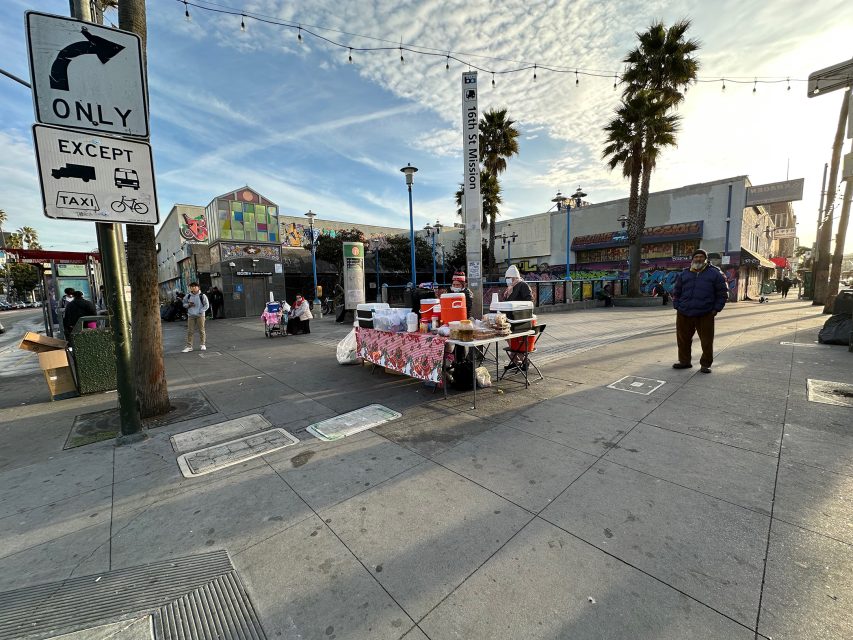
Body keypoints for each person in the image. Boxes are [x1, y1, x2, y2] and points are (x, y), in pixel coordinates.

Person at [671, 249, 728, 373]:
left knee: (707, 341)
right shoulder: (684, 274)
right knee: (683, 340)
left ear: (705, 259)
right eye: (696, 257)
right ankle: (684, 361)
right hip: (684, 312)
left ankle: (705, 364)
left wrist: (715, 309)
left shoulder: (715, 274)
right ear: (692, 259)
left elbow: (722, 293)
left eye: (701, 257)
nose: (698, 259)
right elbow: (676, 291)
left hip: (705, 313)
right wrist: (677, 305)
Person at [182, 282, 209, 352]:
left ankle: (203, 344)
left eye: (195, 286)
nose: (193, 288)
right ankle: (189, 346)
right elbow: (183, 304)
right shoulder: (188, 296)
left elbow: (207, 305)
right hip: (191, 315)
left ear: (198, 287)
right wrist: (188, 305)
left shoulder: (202, 295)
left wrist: (200, 311)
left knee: (201, 330)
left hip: (200, 315)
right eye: (191, 287)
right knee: (190, 331)